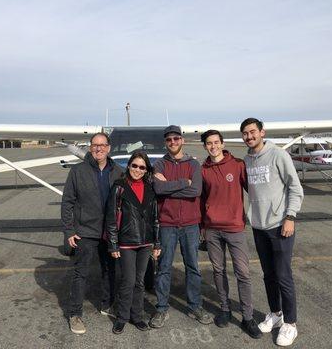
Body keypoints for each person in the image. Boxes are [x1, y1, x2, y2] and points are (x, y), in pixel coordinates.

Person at [241, 118, 304, 346]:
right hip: (259, 226)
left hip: (280, 225)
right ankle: (275, 314)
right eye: (245, 134)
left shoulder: (278, 155)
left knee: (283, 275)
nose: (249, 136)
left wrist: (290, 217)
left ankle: (291, 323)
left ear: (262, 132)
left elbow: (295, 187)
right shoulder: (247, 160)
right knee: (268, 275)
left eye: (253, 132)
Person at [200, 129, 262, 339]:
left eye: (216, 142)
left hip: (235, 228)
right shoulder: (203, 170)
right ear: (205, 146)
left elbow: (254, 191)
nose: (213, 146)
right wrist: (202, 228)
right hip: (212, 229)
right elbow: (200, 201)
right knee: (219, 271)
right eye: (209, 143)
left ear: (222, 143)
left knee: (243, 273)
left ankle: (247, 316)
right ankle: (225, 308)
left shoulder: (236, 165)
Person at [149, 125, 211, 328]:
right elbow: (158, 189)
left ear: (182, 140)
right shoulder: (159, 164)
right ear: (165, 143)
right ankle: (161, 308)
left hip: (191, 224)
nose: (173, 142)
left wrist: (170, 186)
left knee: (192, 267)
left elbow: (195, 191)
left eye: (176, 138)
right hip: (167, 224)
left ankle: (195, 306)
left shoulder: (193, 164)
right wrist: (184, 182)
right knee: (164, 267)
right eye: (169, 140)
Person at [61, 132, 123, 335]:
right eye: (95, 145)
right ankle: (75, 313)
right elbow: (68, 202)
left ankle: (107, 304)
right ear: (90, 148)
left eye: (102, 145)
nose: (99, 148)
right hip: (85, 231)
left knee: (110, 271)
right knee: (81, 273)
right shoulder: (78, 171)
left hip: (110, 232)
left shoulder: (118, 172)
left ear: (109, 148)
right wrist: (69, 229)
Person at [106, 150, 161, 334]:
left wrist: (157, 243)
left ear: (146, 170)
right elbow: (111, 217)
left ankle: (137, 316)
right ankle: (122, 317)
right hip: (126, 242)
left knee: (139, 282)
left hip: (145, 243)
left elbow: (155, 218)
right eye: (134, 165)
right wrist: (113, 244)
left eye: (142, 167)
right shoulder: (119, 187)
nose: (137, 169)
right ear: (129, 166)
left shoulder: (150, 189)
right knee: (128, 281)